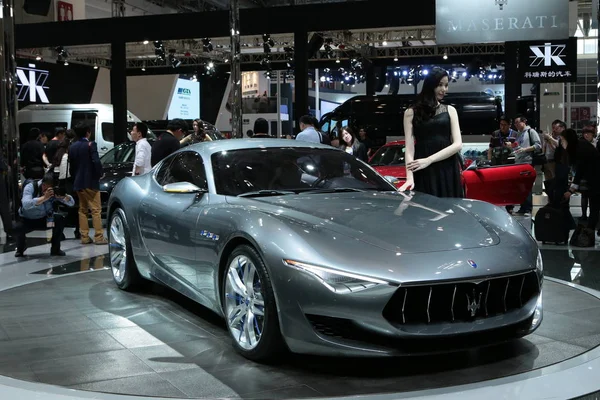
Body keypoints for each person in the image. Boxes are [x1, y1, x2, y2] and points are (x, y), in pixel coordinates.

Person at [399, 68, 463, 197]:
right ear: (430, 85)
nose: (444, 89)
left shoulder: (450, 110)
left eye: (446, 85)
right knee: (425, 211)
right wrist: (409, 177)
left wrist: (429, 160)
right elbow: (409, 148)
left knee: (450, 209)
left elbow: (457, 144)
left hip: (446, 167)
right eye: (440, 85)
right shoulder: (410, 113)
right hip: (422, 169)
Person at [14, 172, 74, 257]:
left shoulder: (53, 191)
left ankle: (55, 249)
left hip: (45, 220)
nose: (46, 189)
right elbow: (26, 204)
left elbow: (72, 203)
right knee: (17, 227)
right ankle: (20, 248)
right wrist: (44, 198)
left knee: (59, 219)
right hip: (27, 220)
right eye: (45, 186)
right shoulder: (30, 187)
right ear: (43, 183)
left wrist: (64, 197)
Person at [69, 123, 107, 245]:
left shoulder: (72, 147)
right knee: (96, 210)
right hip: (90, 181)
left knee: (82, 210)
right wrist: (100, 173)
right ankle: (99, 237)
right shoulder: (91, 145)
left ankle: (84, 237)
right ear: (88, 132)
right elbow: (96, 161)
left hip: (78, 182)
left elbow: (72, 166)